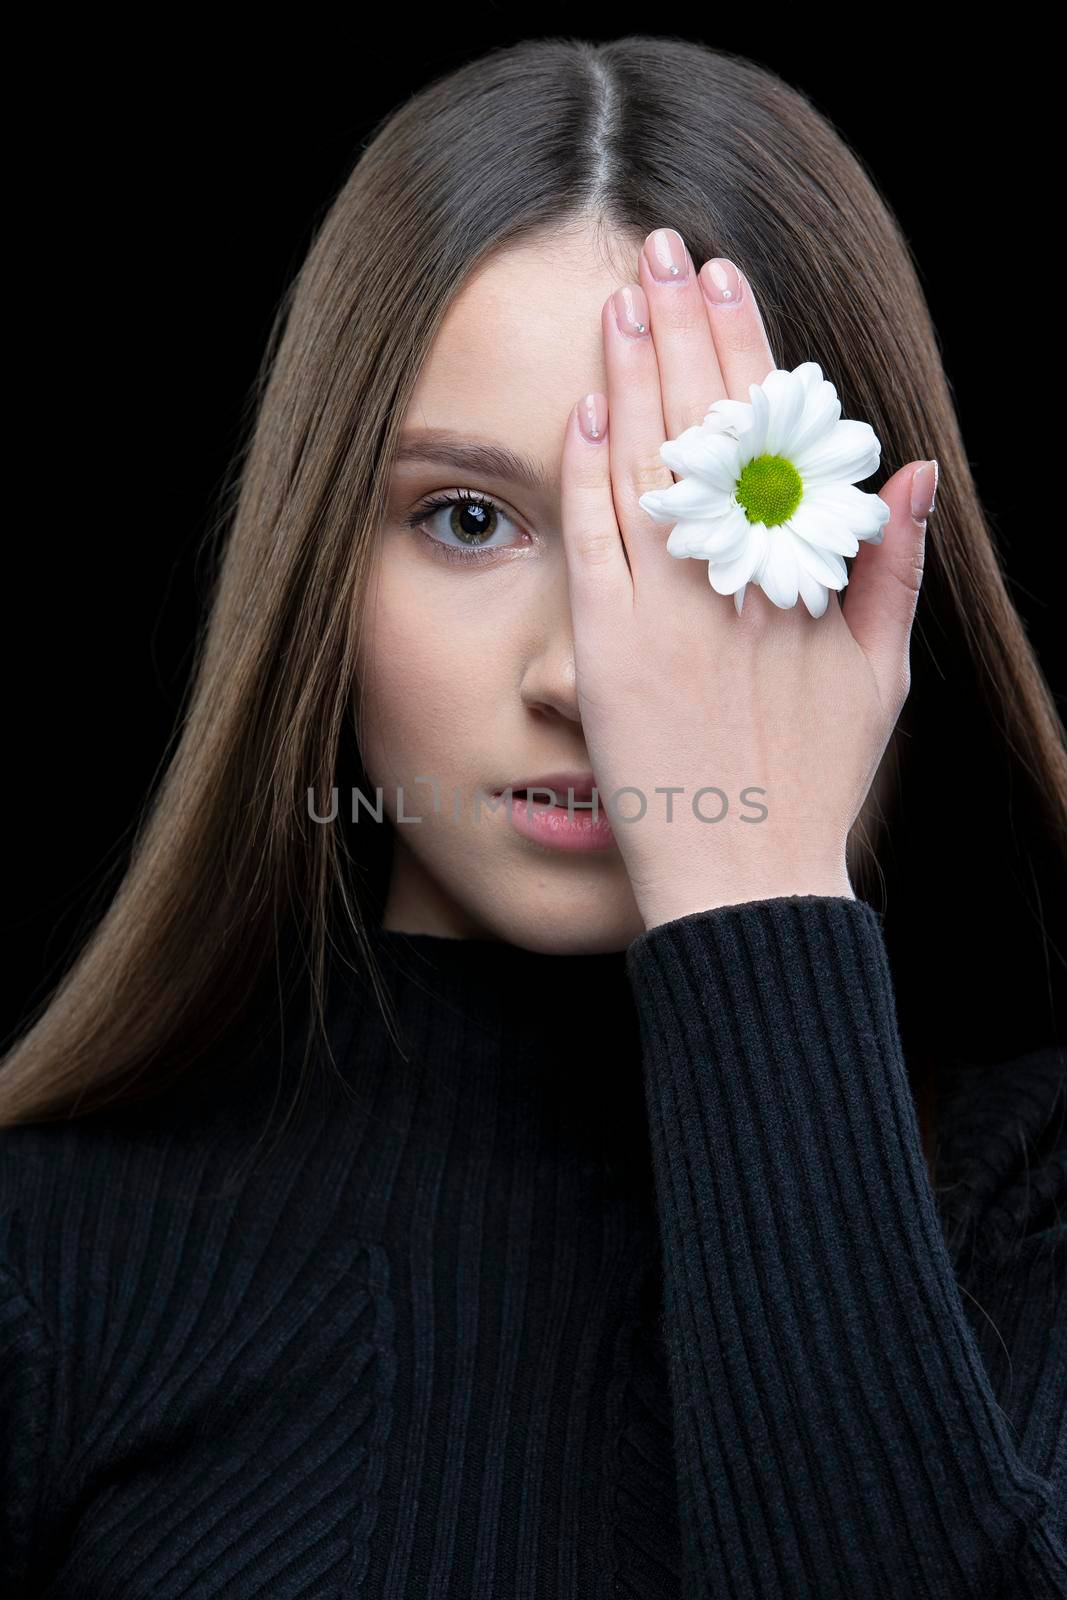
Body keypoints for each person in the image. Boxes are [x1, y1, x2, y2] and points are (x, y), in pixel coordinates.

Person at [2, 35, 1065, 1600]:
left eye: (701, 522)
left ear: (882, 572)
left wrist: (752, 894)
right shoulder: (49, 1253)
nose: (589, 672)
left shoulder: (1031, 1196)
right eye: (471, 519)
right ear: (320, 574)